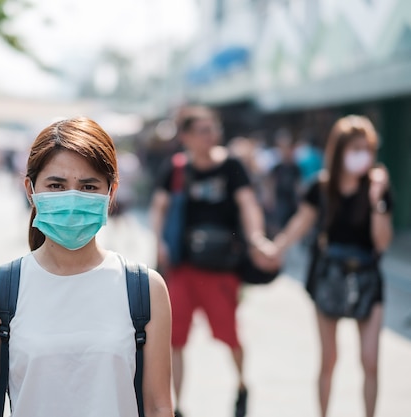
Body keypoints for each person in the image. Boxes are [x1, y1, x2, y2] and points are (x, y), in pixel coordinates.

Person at [0, 117, 173, 417]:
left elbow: (158, 406)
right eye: (56, 185)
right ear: (30, 190)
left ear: (111, 192)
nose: (72, 199)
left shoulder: (144, 289)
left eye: (88, 186)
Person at [149, 106, 278, 417]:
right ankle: (176, 406)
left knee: (229, 334)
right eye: (204, 130)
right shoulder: (177, 169)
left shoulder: (231, 166)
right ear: (187, 137)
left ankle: (242, 385)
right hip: (183, 267)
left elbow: (248, 204)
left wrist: (257, 238)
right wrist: (159, 242)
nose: (212, 135)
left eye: (214, 128)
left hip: (222, 269)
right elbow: (159, 207)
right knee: (174, 338)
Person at [272, 115, 393, 417]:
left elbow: (382, 242)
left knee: (370, 359)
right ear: (340, 150)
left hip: (367, 276)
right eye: (356, 148)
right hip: (330, 276)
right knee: (329, 359)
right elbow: (301, 222)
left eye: (367, 148)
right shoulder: (322, 187)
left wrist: (378, 199)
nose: (362, 155)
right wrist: (275, 249)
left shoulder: (377, 188)